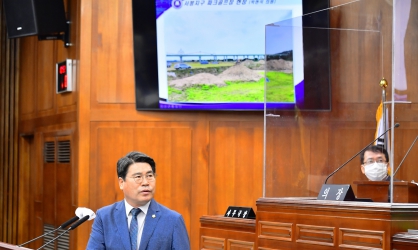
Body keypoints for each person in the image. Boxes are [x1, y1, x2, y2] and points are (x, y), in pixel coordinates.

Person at [86, 151, 190, 250]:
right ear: (121, 182)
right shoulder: (105, 217)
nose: (145, 182)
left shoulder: (173, 220)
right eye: (138, 177)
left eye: (150, 176)